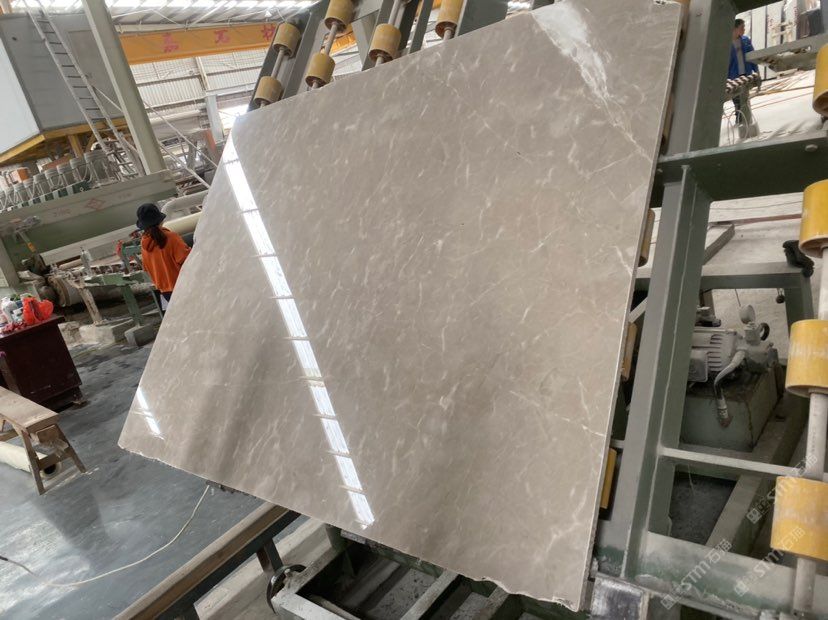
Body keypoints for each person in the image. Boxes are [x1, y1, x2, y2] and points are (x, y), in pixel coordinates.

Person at [136, 203, 190, 306]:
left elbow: (146, 268)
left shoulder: (143, 245)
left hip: (165, 292)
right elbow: (187, 259)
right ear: (160, 220)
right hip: (182, 287)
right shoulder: (171, 237)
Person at [729, 19, 759, 124]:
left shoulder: (746, 40)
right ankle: (740, 118)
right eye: (742, 27)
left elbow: (753, 57)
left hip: (745, 74)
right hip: (733, 76)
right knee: (736, 99)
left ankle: (745, 119)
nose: (744, 29)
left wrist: (756, 71)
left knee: (745, 98)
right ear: (735, 29)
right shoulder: (727, 43)